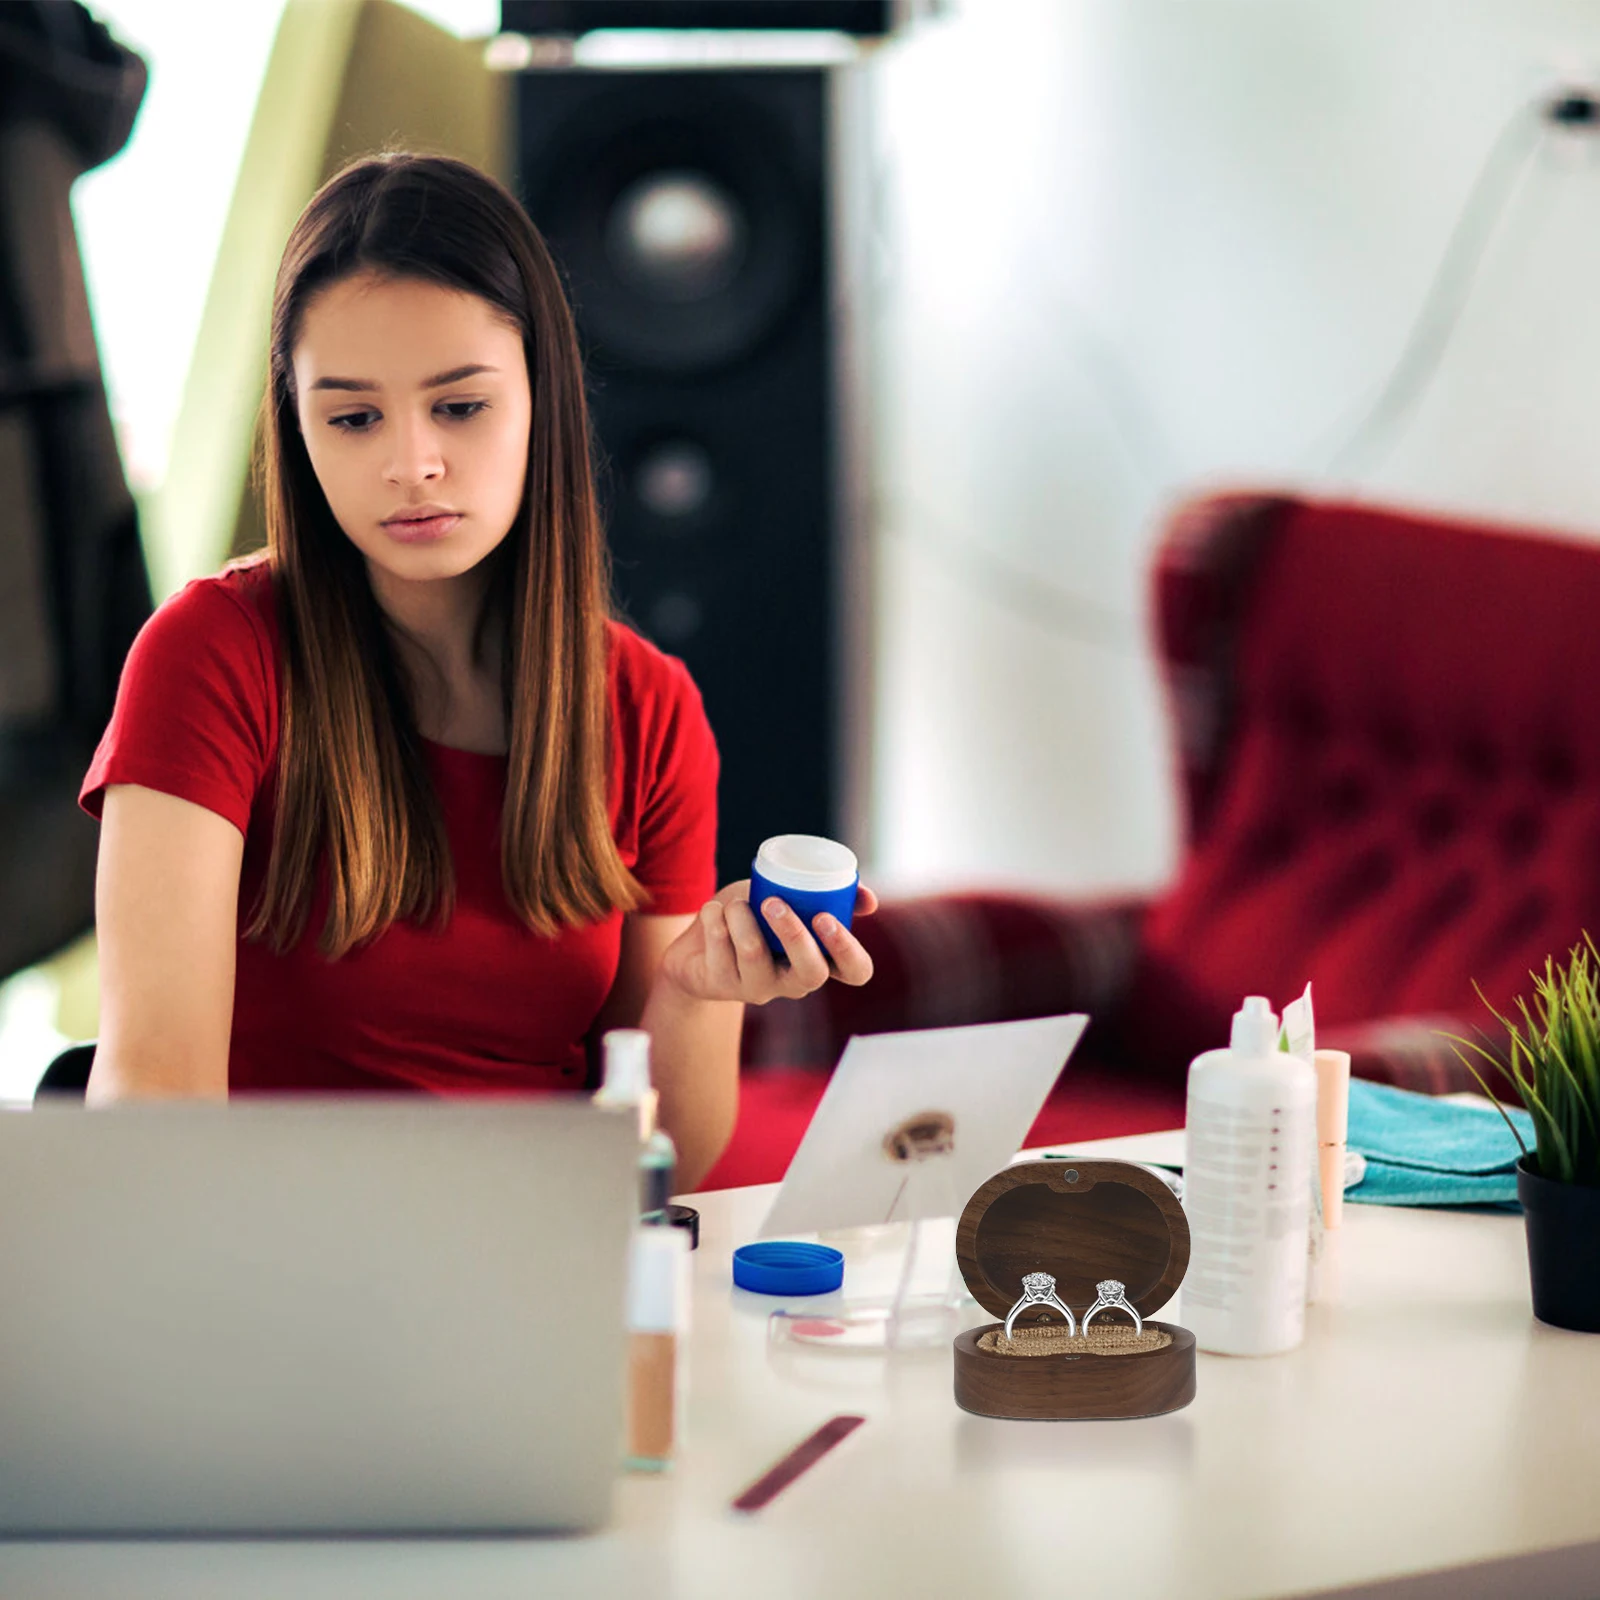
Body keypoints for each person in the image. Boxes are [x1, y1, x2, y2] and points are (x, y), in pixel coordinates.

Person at [78, 151, 875, 1190]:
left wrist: (695, 991)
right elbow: (153, 1103)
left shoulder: (647, 705)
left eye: (458, 407)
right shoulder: (212, 654)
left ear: (542, 394)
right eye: (352, 417)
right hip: (277, 1246)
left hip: (543, 1249)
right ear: (299, 425)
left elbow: (663, 1167)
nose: (410, 463)